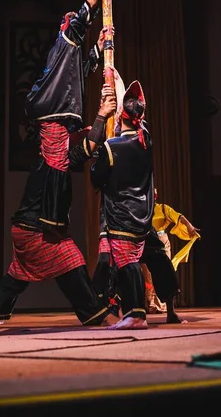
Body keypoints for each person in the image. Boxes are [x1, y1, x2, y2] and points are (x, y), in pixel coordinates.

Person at [0, 85, 118, 326]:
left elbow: (78, 147)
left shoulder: (50, 161)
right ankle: (100, 316)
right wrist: (102, 115)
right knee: (71, 259)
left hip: (25, 229)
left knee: (18, 274)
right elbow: (86, 150)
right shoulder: (54, 163)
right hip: (35, 232)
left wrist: (93, 124)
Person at [90, 79, 154, 330]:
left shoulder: (111, 146)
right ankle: (134, 312)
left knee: (126, 263)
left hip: (121, 214)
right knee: (131, 262)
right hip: (142, 214)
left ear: (120, 116)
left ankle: (136, 314)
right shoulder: (146, 140)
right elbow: (139, 111)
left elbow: (97, 178)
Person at [141, 188, 201, 319]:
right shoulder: (142, 210)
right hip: (146, 242)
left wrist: (189, 227)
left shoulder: (162, 208)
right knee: (148, 276)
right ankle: (151, 303)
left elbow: (178, 216)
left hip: (161, 242)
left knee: (165, 272)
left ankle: (166, 307)